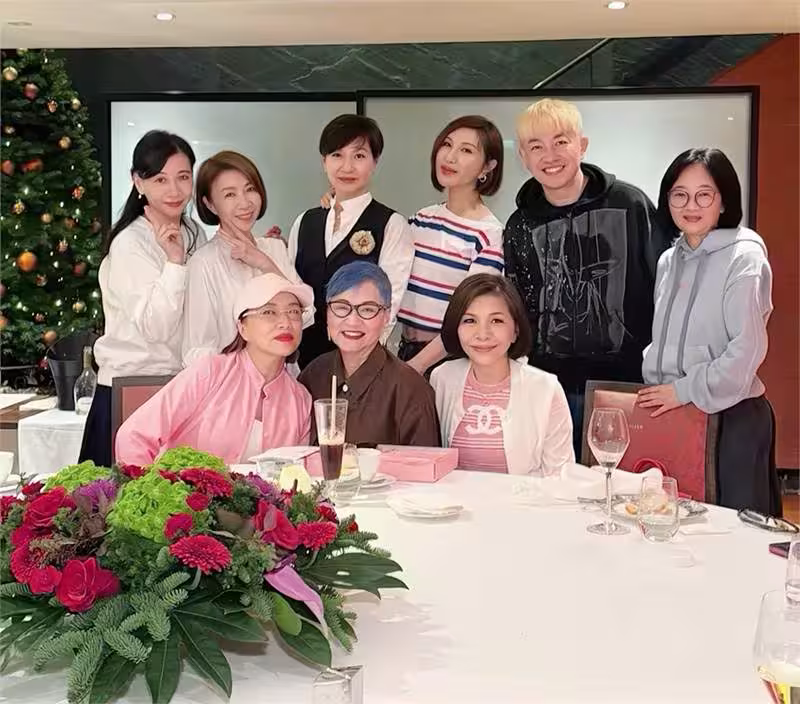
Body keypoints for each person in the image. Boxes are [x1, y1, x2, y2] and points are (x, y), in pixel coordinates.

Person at [503, 98, 670, 453]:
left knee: (617, 476)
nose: (550, 155)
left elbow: (666, 288)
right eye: (536, 146)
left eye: (560, 141)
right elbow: (518, 305)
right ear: (523, 157)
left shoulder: (629, 204)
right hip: (548, 385)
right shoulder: (519, 225)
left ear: (582, 145)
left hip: (625, 382)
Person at [639, 148, 780, 515]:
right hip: (677, 414)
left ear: (723, 200)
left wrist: (683, 390)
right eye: (680, 194)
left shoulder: (744, 257)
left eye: (704, 194)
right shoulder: (669, 260)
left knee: (733, 533)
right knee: (673, 524)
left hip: (730, 418)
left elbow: (746, 351)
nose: (691, 205)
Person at [79, 130, 207, 467]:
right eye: (160, 179)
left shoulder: (194, 233)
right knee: (123, 497)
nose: (174, 190)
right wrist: (175, 262)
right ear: (138, 181)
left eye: (183, 177)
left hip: (179, 390)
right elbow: (157, 328)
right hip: (132, 390)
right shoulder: (130, 243)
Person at [116, 274, 314, 466]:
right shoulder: (209, 372)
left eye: (294, 312)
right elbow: (133, 436)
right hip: (184, 488)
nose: (285, 323)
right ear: (242, 328)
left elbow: (297, 475)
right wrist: (146, 486)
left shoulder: (301, 399)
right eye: (269, 312)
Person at [288, 114, 413, 369]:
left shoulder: (391, 224)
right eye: (337, 155)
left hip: (360, 362)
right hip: (301, 362)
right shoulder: (305, 221)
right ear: (324, 162)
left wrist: (360, 364)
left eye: (359, 156)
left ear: (375, 161)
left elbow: (389, 304)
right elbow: (292, 290)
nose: (347, 167)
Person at [430, 274, 574, 475]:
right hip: (453, 496)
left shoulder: (545, 389)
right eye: (470, 320)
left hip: (525, 496)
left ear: (515, 330)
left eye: (496, 320)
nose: (483, 334)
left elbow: (560, 476)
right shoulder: (442, 378)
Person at [396, 115, 505, 377]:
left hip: (447, 361)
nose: (450, 157)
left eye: (466, 150)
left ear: (487, 167)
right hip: (404, 350)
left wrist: (417, 366)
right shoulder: (422, 218)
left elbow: (470, 316)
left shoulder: (489, 233)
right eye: (447, 145)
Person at [183, 150, 312, 366]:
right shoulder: (204, 263)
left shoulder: (274, 248)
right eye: (230, 195)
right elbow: (197, 351)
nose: (245, 203)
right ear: (210, 204)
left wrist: (265, 263)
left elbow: (307, 316)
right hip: (231, 383)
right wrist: (243, 377)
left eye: (250, 189)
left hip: (284, 377)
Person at [298, 261, 439, 447]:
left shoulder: (410, 389)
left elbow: (425, 462)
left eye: (367, 310)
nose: (352, 321)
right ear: (327, 312)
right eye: (341, 307)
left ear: (386, 315)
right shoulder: (313, 375)